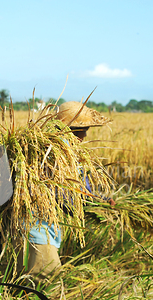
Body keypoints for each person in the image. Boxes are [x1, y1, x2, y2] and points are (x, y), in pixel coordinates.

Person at [17, 101, 114, 283]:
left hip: (37, 230)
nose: (85, 134)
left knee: (26, 287)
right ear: (67, 130)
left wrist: (99, 201)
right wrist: (95, 203)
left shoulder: (67, 154)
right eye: (81, 129)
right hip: (37, 230)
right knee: (48, 287)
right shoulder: (51, 154)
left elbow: (78, 190)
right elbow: (67, 194)